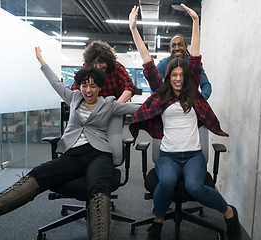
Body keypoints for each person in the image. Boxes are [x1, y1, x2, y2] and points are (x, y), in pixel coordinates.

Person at [0, 47, 140, 240]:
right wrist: (41, 60)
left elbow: (137, 108)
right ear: (79, 86)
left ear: (100, 87)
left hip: (98, 154)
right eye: (84, 85)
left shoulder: (109, 103)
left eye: (92, 86)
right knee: (39, 173)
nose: (88, 90)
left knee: (99, 186)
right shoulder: (72, 97)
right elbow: (55, 82)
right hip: (72, 153)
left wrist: (166, 102)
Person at [128, 4, 242, 240]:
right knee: (167, 181)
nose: (178, 78)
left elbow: (197, 57)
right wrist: (133, 29)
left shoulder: (194, 96)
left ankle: (229, 213)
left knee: (195, 187)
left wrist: (196, 22)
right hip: (168, 155)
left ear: (187, 77)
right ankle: (158, 221)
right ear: (168, 77)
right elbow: (147, 61)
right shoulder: (161, 95)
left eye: (182, 75)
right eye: (174, 75)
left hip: (193, 155)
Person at [71, 40, 136, 102]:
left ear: (108, 61)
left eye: (102, 62)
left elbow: (130, 88)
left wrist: (115, 106)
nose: (99, 66)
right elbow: (75, 88)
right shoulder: (87, 68)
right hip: (92, 109)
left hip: (115, 109)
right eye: (95, 63)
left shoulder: (117, 68)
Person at [157, 35, 212, 100]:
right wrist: (161, 103)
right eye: (173, 45)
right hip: (169, 104)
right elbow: (156, 86)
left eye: (180, 45)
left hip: (189, 104)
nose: (177, 48)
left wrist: (198, 102)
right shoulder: (163, 64)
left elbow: (206, 85)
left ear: (186, 47)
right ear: (170, 48)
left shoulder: (193, 64)